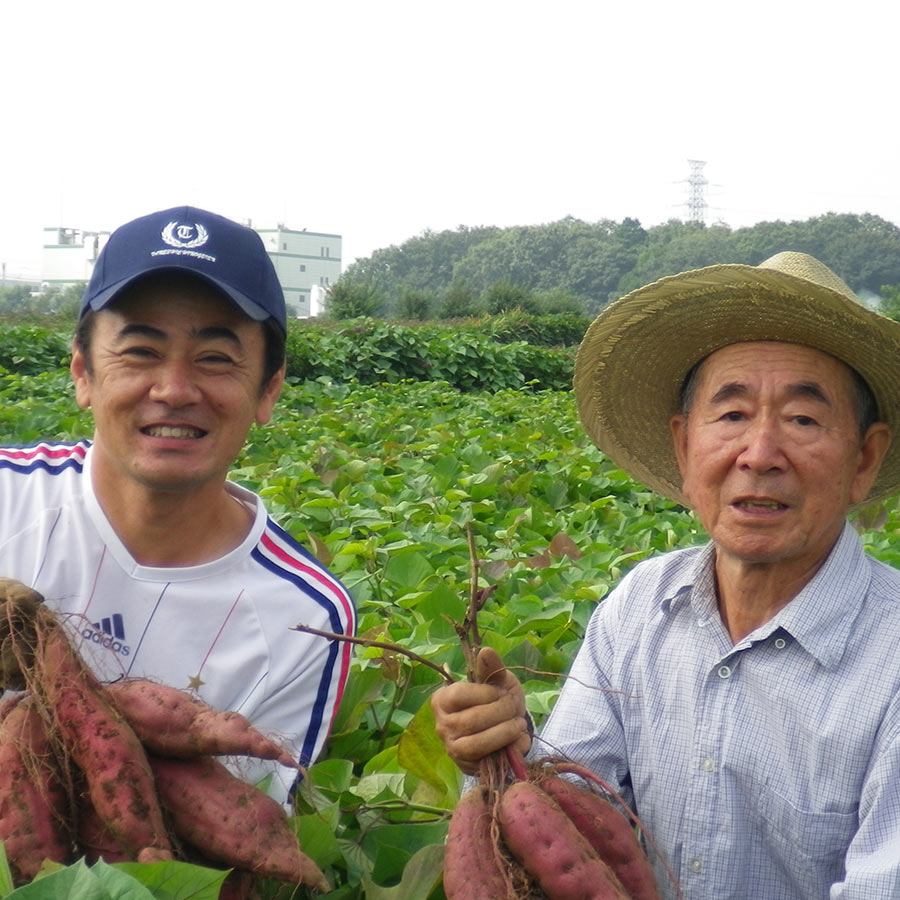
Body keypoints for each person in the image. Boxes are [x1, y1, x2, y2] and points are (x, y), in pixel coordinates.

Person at [432, 251, 900, 899]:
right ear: (684, 446)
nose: (759, 454)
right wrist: (505, 748)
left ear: (864, 459)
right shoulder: (639, 605)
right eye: (732, 415)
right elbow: (573, 816)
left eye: (802, 419)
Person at [0, 206, 356, 804]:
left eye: (215, 358)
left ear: (268, 390)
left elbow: (237, 829)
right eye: (140, 350)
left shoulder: (305, 618)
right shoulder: (8, 497)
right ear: (83, 372)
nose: (173, 390)